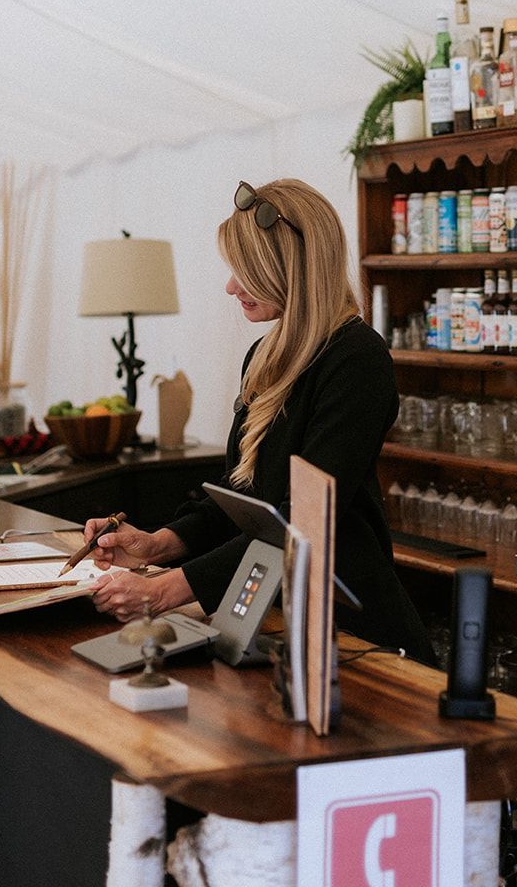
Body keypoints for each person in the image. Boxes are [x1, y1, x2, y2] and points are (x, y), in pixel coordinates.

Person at [87, 178, 433, 662]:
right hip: (272, 614)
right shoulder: (264, 354)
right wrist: (155, 545)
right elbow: (242, 497)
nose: (231, 287)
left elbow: (303, 522)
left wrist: (165, 590)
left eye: (245, 271)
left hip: (350, 635)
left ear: (291, 269)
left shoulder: (357, 359)